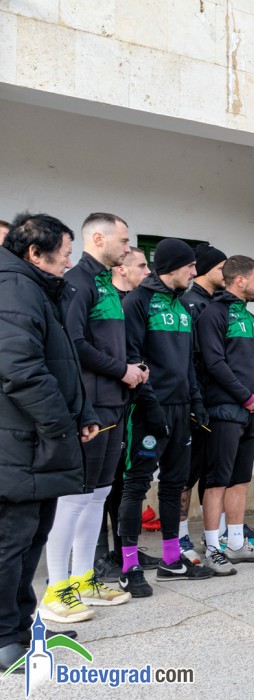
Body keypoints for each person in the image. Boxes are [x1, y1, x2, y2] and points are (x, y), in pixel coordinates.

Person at [0, 214, 100, 673]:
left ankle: (21, 629)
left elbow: (61, 363)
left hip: (37, 441)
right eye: (64, 254)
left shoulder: (36, 288)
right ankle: (4, 639)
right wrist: (60, 426)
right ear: (35, 254)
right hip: (21, 442)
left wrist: (82, 414)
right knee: (12, 543)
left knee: (29, 540)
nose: (69, 262)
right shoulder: (14, 288)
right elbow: (20, 370)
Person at [42, 213, 140, 624]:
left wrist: (130, 368)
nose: (127, 247)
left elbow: (110, 341)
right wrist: (121, 370)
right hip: (90, 408)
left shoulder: (106, 283)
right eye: (123, 240)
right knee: (74, 498)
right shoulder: (78, 283)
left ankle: (84, 580)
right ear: (98, 238)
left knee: (98, 495)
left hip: (114, 404)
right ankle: (56, 589)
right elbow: (73, 344)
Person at [119, 238, 211, 598]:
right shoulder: (137, 301)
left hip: (181, 408)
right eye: (190, 266)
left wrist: (196, 403)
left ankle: (172, 560)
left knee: (174, 484)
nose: (194, 272)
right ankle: (128, 567)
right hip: (147, 409)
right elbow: (132, 357)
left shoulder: (184, 306)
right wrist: (151, 406)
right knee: (136, 485)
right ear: (172, 267)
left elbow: (188, 362)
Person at [196, 256, 254, 574]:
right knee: (217, 481)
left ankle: (236, 543)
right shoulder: (214, 314)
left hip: (249, 411)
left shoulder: (251, 318)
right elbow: (214, 363)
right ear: (240, 280)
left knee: (240, 480)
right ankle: (213, 547)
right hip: (224, 411)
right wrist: (246, 397)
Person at [95, 247, 151, 583]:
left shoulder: (133, 303)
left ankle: (124, 549)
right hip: (104, 403)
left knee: (122, 482)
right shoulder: (103, 301)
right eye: (142, 265)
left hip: (131, 405)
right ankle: (99, 556)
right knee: (98, 486)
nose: (148, 271)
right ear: (121, 269)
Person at [177, 243, 227, 563]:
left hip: (218, 404)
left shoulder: (221, 304)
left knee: (213, 474)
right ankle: (180, 535)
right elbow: (190, 358)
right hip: (194, 404)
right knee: (187, 474)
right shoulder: (187, 303)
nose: (227, 273)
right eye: (222, 268)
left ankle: (215, 534)